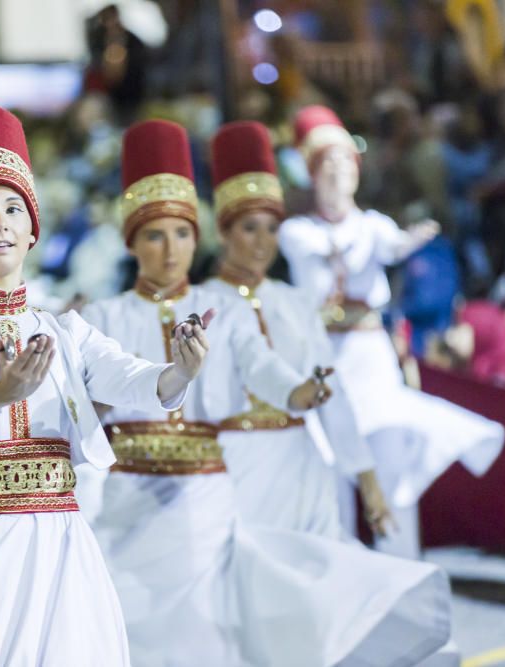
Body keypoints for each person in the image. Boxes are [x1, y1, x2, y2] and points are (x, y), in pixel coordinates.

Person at [83, 119, 452, 667]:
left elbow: (268, 368)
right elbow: (88, 396)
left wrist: (306, 399)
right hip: (185, 480)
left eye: (182, 234)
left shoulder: (245, 311)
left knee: (281, 607)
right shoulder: (111, 315)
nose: (170, 250)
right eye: (155, 235)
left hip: (254, 477)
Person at [0, 105, 210, 667]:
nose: (0, 224)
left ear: (32, 229)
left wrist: (179, 371)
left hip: (62, 536)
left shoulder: (66, 330)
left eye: (13, 208)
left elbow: (129, 375)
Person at [280, 105, 505, 559]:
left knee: (389, 462)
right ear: (312, 173)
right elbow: (332, 252)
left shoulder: (375, 226)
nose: (339, 173)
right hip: (323, 356)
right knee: (328, 468)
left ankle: (402, 568)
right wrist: (381, 241)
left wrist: (405, 241)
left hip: (368, 353)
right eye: (328, 164)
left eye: (346, 163)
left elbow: (392, 246)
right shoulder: (297, 231)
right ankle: (337, 574)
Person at [200, 120, 390, 538]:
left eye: (272, 229)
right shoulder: (201, 305)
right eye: (249, 228)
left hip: (301, 467)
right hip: (229, 468)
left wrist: (367, 481)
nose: (262, 243)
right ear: (223, 231)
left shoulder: (296, 303)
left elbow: (331, 394)